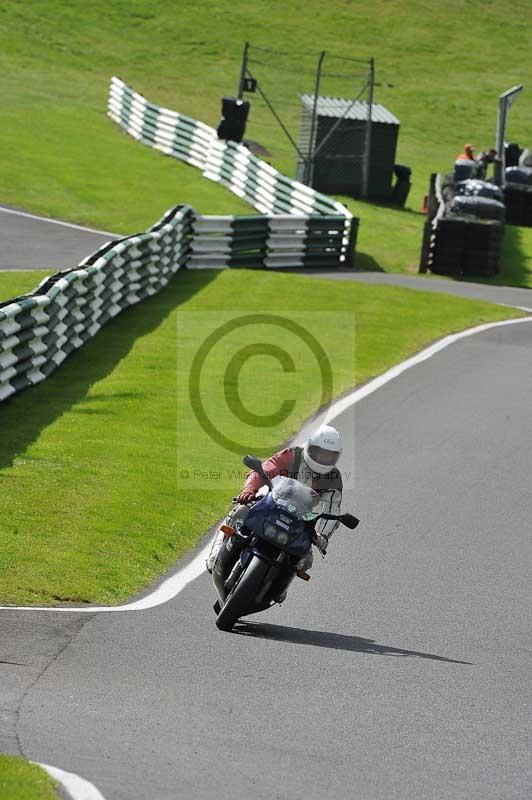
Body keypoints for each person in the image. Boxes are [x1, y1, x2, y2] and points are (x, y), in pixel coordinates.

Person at [206, 424, 343, 574]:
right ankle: (216, 554)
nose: (324, 458)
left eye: (329, 455)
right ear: (311, 447)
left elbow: (332, 509)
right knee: (240, 511)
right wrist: (249, 489)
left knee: (305, 560)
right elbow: (265, 469)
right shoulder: (292, 455)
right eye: (321, 453)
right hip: (272, 503)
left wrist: (322, 535)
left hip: (301, 519)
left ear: (336, 457)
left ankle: (279, 580)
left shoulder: (333, 478)